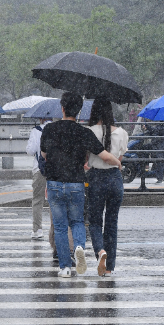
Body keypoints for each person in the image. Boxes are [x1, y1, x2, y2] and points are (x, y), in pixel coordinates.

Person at [40, 92, 121, 278]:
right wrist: (118, 162)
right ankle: (79, 247)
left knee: (60, 227)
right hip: (75, 183)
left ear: (62, 108)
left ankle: (65, 267)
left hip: (54, 183)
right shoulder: (84, 132)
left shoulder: (49, 129)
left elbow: (44, 155)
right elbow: (103, 155)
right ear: (78, 112)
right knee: (77, 222)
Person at [86, 98, 128, 277]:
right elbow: (120, 159)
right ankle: (110, 267)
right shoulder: (122, 133)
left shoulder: (89, 132)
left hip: (96, 177)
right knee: (112, 223)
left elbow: (86, 158)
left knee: (94, 220)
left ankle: (100, 251)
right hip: (114, 178)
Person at [26, 118, 49, 239]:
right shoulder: (57, 129)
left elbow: (30, 151)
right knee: (56, 200)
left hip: (39, 168)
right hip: (57, 169)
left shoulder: (36, 131)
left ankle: (37, 229)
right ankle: (57, 230)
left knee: (38, 199)